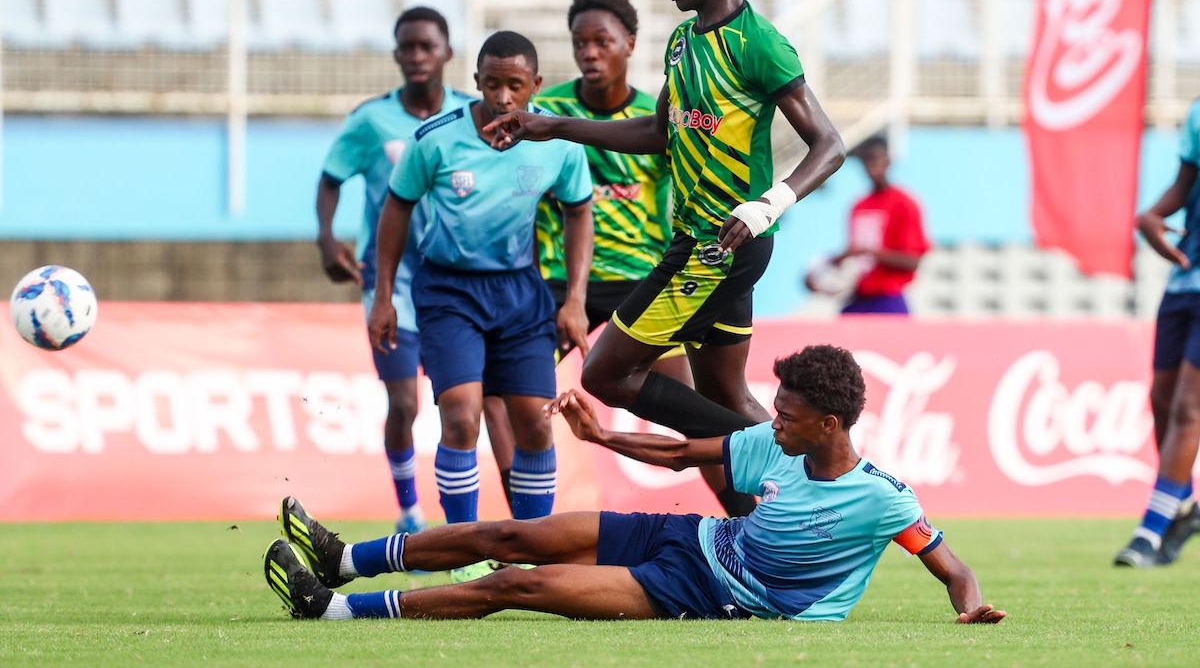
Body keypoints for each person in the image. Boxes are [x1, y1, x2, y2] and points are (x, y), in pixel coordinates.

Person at [264, 344, 1006, 625]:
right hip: (688, 538)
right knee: (509, 533)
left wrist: (970, 608)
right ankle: (346, 560)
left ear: (830, 425)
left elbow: (951, 566)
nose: (771, 420)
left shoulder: (883, 500)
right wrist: (599, 434)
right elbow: (686, 453)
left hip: (714, 597)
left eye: (787, 415)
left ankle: (333, 612)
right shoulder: (772, 446)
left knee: (520, 583)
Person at [486, 0, 845, 449]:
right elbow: (658, 134)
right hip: (710, 242)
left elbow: (830, 144)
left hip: (718, 246)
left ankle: (788, 458)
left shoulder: (759, 44)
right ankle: (786, 496)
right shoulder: (683, 43)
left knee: (603, 375)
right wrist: (554, 125)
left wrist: (768, 204)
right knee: (728, 397)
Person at [367, 30, 594, 581]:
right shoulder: (436, 139)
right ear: (477, 84)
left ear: (535, 85)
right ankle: (465, 553)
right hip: (449, 292)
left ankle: (538, 550)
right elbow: (396, 208)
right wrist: (382, 295)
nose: (504, 97)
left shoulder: (557, 143)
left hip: (520, 293)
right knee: (462, 415)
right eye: (492, 84)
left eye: (516, 85)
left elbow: (579, 211)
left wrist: (575, 300)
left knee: (536, 427)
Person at [533, 0, 751, 516]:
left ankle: (747, 518)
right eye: (579, 42)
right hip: (557, 282)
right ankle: (522, 529)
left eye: (601, 41)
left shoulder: (662, 119)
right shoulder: (545, 111)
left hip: (640, 278)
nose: (589, 52)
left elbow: (683, 198)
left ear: (629, 44)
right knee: (520, 404)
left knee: (685, 408)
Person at [315, 7, 474, 534]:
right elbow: (331, 176)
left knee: (463, 407)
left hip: (457, 282)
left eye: (427, 46)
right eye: (407, 47)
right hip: (391, 283)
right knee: (404, 403)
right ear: (397, 55)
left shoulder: (470, 116)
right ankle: (409, 511)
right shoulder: (371, 120)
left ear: (448, 52)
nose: (417, 57)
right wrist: (327, 235)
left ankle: (470, 524)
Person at [1114, 99, 1200, 567]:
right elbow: (1186, 184)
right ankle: (1184, 505)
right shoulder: (1198, 113)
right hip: (1187, 276)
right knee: (1162, 399)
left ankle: (1150, 531)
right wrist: (1150, 216)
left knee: (1190, 406)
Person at [807, 134, 929, 315]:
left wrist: (869, 252)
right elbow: (854, 259)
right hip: (856, 297)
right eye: (866, 160)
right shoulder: (858, 206)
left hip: (888, 298)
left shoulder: (905, 203)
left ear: (887, 161)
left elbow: (912, 261)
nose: (870, 166)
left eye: (875, 159)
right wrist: (831, 265)